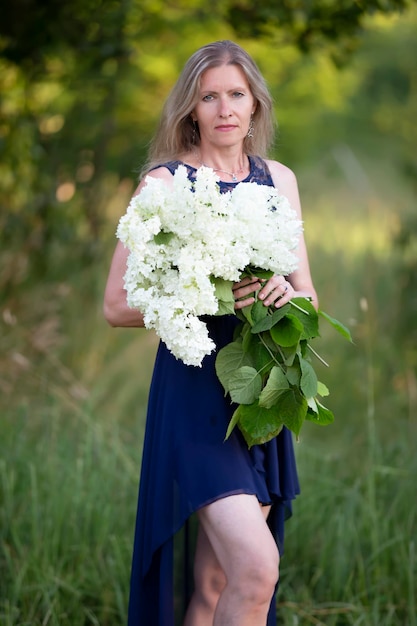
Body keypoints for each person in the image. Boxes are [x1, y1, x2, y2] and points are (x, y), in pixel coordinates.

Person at [104, 40, 318, 626]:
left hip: (261, 391)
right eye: (209, 97)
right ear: (191, 109)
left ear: (255, 106)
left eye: (236, 95)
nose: (224, 108)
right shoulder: (165, 186)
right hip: (194, 397)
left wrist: (285, 294)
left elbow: (309, 296)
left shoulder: (278, 179)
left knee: (217, 581)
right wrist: (208, 294)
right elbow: (116, 304)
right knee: (256, 567)